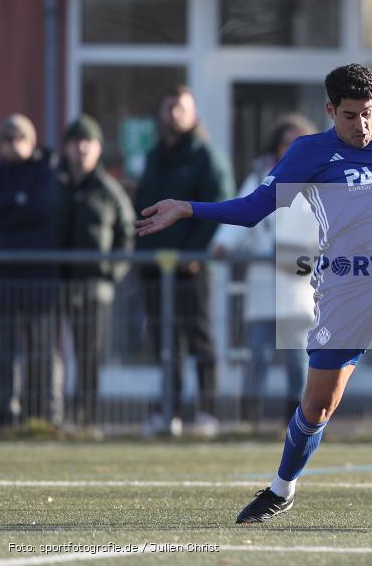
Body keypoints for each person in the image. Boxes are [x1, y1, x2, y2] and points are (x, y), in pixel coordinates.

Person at [134, 63, 372, 523]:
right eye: (350, 116)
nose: (362, 126)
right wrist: (188, 207)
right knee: (318, 405)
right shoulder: (309, 152)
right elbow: (253, 209)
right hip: (345, 287)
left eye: (368, 114)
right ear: (330, 110)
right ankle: (281, 488)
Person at [136, 85, 235, 437]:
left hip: (191, 268)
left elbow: (220, 204)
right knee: (164, 342)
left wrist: (195, 254)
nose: (174, 113)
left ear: (194, 114)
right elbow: (143, 205)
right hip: (154, 268)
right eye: (169, 106)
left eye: (181, 106)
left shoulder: (206, 156)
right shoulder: (153, 156)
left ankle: (208, 412)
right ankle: (168, 412)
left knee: (199, 338)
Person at [211, 115, 318, 428]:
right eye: (286, 142)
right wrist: (223, 244)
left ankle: (295, 420)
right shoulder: (261, 176)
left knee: (297, 357)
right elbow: (244, 211)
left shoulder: (319, 181)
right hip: (263, 284)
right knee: (257, 355)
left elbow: (326, 229)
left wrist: (310, 255)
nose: (290, 149)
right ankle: (250, 417)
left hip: (299, 284)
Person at [55, 114, 136, 429]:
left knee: (88, 356)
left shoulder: (109, 190)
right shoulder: (54, 184)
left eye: (88, 142)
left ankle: (85, 418)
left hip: (93, 287)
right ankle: (50, 417)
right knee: (49, 355)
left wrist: (110, 272)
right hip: (54, 285)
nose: (82, 149)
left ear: (99, 149)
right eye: (76, 142)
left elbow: (127, 236)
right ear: (66, 148)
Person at [0, 114, 59, 431]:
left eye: (19, 137)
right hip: (3, 279)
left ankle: (41, 415)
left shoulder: (45, 173)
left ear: (32, 141)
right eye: (7, 139)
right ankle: (4, 415)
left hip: (38, 277)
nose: (13, 144)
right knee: (3, 351)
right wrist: (16, 204)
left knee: (41, 350)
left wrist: (10, 208)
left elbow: (42, 208)